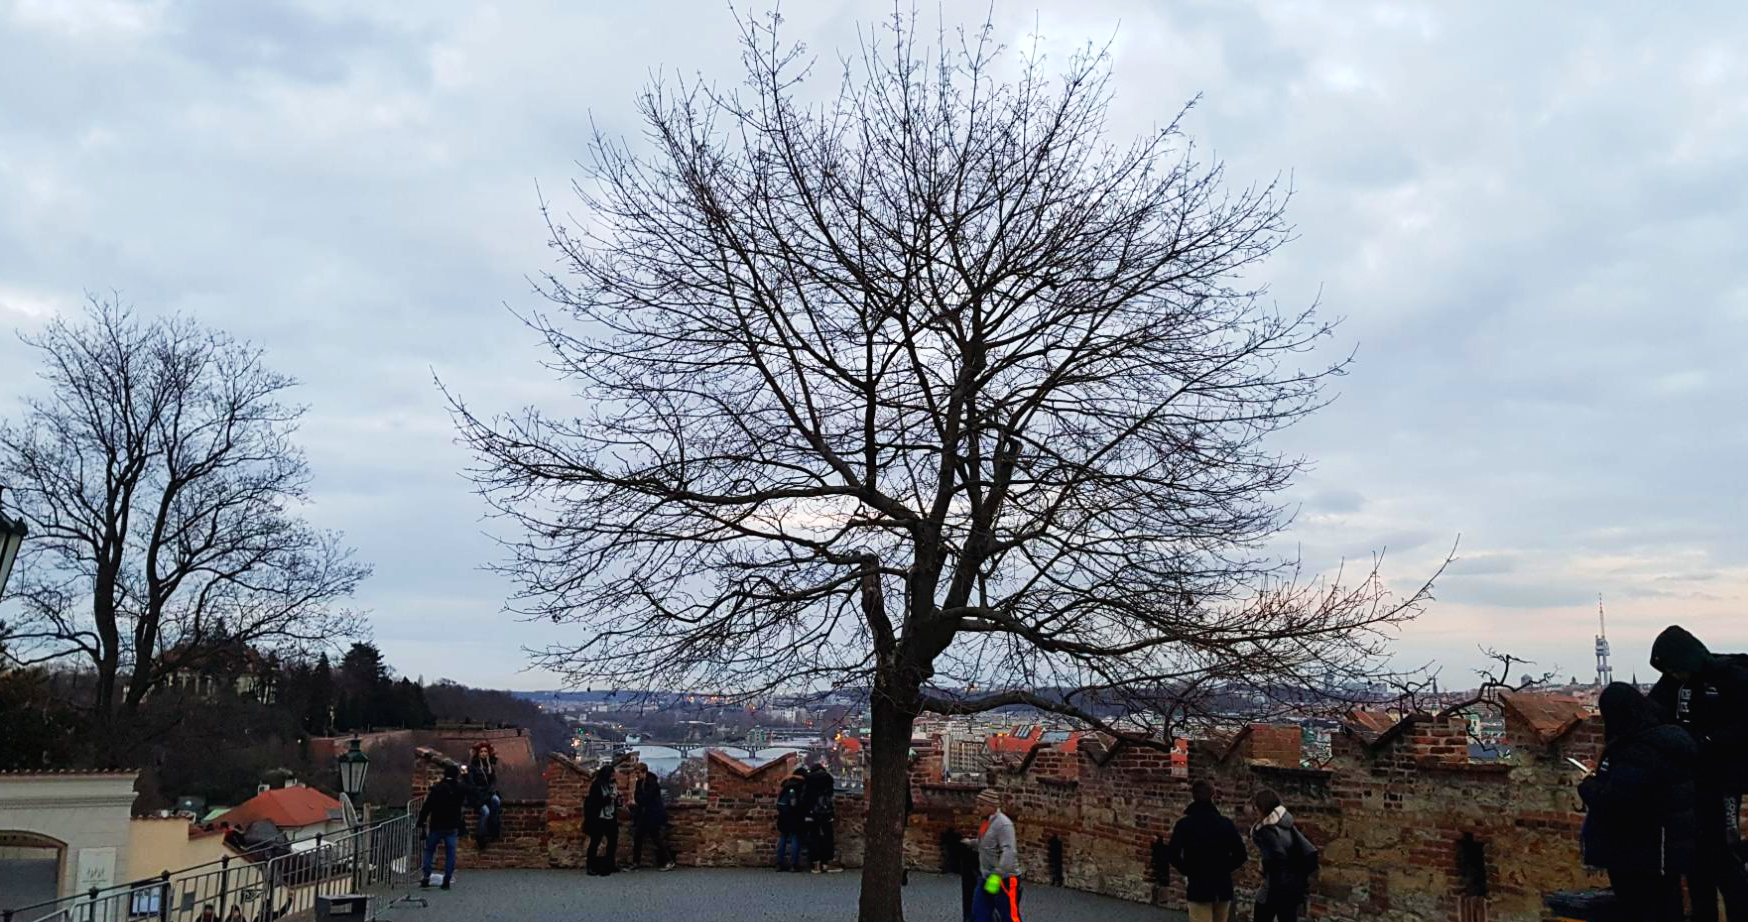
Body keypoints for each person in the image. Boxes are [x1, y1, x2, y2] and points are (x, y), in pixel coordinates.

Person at [1648, 625, 1748, 922]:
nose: (1675, 676)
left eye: (1676, 670)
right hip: (1689, 780)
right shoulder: (1673, 684)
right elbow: (1652, 713)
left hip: (1722, 780)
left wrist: (1709, 741)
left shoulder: (1731, 676)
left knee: (1725, 858)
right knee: (1695, 859)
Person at [1578, 682, 1695, 922]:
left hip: (1638, 853)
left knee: (1642, 909)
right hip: (1662, 849)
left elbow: (1615, 802)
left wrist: (1587, 784)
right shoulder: (1665, 740)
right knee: (1667, 908)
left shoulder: (1637, 751)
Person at [1167, 780, 1249, 922]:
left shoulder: (1184, 824)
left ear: (1193, 796)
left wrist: (1188, 870)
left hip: (1198, 884)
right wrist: (1225, 867)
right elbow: (1241, 854)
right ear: (1213, 796)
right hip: (1222, 885)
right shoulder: (1225, 824)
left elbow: (1173, 855)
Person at [1250, 789, 1316, 922]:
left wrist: (1264, 866)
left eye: (1256, 808)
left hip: (1275, 887)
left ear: (1261, 808)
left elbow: (1276, 857)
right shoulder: (1286, 825)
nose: (1255, 811)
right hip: (1293, 885)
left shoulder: (1267, 831)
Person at [968, 789, 1022, 922]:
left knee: (1009, 915)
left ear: (991, 806)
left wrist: (998, 874)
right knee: (979, 913)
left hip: (1004, 879)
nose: (977, 808)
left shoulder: (1003, 824)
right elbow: (987, 843)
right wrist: (971, 843)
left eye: (981, 805)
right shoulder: (987, 823)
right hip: (987, 877)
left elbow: (1009, 851)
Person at [417, 763, 466, 889]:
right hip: (452, 826)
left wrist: (421, 821)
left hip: (437, 825)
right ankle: (447, 879)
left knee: (429, 851)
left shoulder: (437, 788)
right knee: (450, 854)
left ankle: (426, 877)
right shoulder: (460, 788)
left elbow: (427, 806)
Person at [630, 762, 675, 870]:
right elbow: (637, 797)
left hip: (653, 814)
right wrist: (640, 799)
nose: (637, 775)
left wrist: (640, 799)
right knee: (638, 837)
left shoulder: (652, 782)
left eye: (638, 773)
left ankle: (669, 861)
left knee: (656, 837)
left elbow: (646, 798)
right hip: (644, 814)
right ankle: (636, 862)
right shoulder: (639, 782)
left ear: (644, 771)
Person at [803, 763, 842, 873]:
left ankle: (816, 864)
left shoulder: (808, 779)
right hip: (826, 813)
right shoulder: (828, 779)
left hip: (811, 813)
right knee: (828, 837)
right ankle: (827, 863)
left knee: (813, 838)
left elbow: (804, 797)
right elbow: (830, 796)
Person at [584, 763, 621, 876]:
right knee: (595, 842)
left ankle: (610, 863)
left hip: (610, 817)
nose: (613, 777)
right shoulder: (596, 786)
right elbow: (594, 803)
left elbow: (615, 800)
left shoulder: (613, 785)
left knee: (613, 841)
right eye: (611, 775)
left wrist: (617, 800)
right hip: (599, 818)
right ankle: (590, 866)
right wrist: (608, 799)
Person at [466, 742, 501, 848]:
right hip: (477, 796)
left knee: (496, 801)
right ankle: (480, 836)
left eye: (485, 751)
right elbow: (471, 784)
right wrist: (480, 795)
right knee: (485, 812)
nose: (483, 753)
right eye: (481, 751)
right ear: (478, 753)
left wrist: (490, 792)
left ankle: (494, 827)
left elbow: (493, 782)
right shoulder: (472, 767)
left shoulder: (491, 767)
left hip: (488, 793)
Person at [776, 766, 807, 871]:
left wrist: (789, 776)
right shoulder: (802, 785)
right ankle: (794, 864)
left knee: (783, 838)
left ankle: (779, 864)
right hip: (795, 815)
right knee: (795, 838)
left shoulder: (787, 784)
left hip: (783, 815)